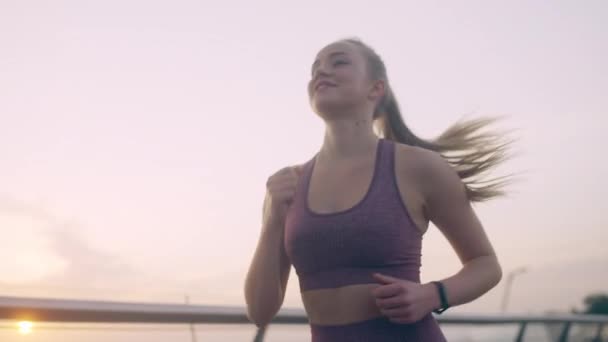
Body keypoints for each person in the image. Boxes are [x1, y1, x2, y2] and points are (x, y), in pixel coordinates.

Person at [244, 38, 511, 341]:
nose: (321, 72)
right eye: (314, 68)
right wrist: (272, 221)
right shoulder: (286, 185)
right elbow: (259, 311)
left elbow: (486, 265)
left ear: (375, 88)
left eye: (338, 62)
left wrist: (433, 295)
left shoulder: (419, 167)